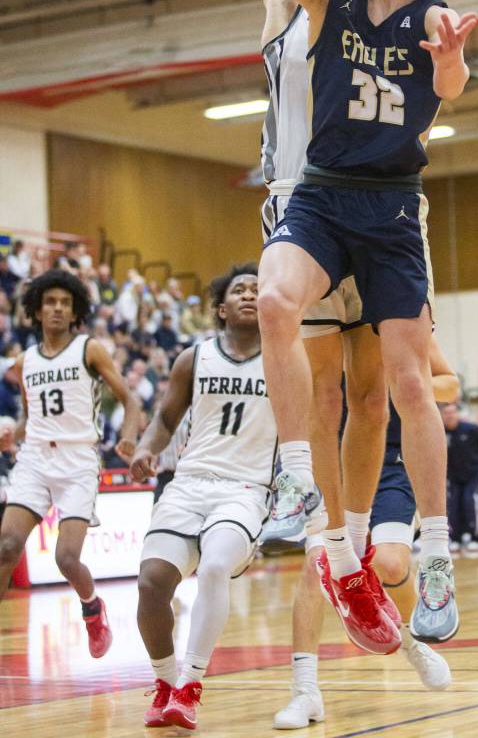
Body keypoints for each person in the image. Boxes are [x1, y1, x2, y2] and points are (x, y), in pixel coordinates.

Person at [237, 0, 478, 649]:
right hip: (306, 198)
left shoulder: (392, 9)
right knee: (326, 386)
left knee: (379, 392)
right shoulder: (291, 12)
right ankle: (318, 515)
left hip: (388, 198)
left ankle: (368, 540)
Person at [273, 336, 458, 730]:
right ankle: (304, 690)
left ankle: (412, 643)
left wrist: (401, 378)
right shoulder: (319, 325)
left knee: (391, 564)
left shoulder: (394, 319)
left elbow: (450, 383)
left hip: (391, 464)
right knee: (315, 567)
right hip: (331, 465)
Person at [132, 265, 277, 730]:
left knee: (215, 566)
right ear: (220, 308)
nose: (250, 295)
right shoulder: (194, 358)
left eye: (258, 289)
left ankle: (191, 684)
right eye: (239, 290)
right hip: (190, 482)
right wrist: (145, 449)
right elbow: (166, 418)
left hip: (246, 488)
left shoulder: (285, 358)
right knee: (153, 582)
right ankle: (164, 682)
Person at [0, 269, 139, 655]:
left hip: (78, 460)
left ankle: (92, 608)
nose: (58, 308)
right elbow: (33, 418)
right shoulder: (25, 361)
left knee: (66, 557)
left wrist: (129, 436)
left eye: (65, 302)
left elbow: (130, 400)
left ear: (75, 309)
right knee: (7, 545)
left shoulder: (89, 349)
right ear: (38, 310)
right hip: (35, 458)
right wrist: (15, 433)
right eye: (50, 302)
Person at [443, 402, 478, 550]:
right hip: (453, 476)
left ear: (458, 414)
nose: (450, 416)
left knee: (470, 500)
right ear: (443, 415)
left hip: (473, 475)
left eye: (452, 412)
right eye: (447, 413)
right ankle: (455, 537)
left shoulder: (470, 429)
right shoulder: (440, 432)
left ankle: (475, 536)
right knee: (453, 503)